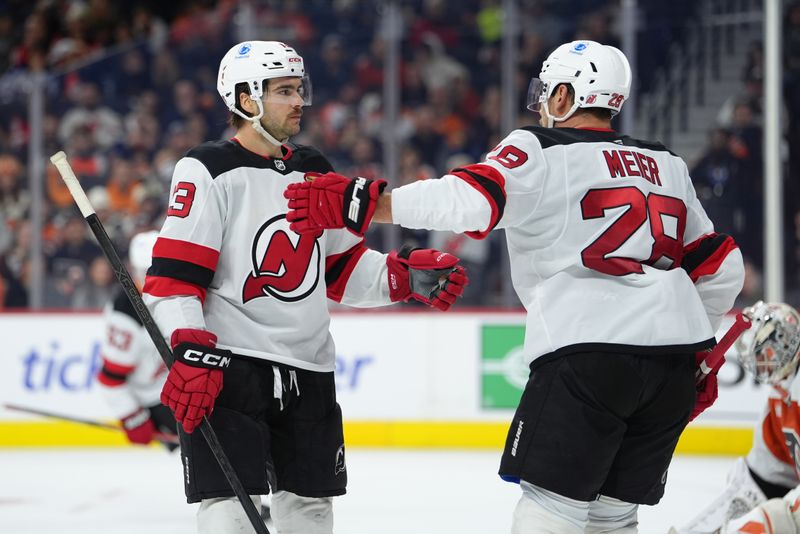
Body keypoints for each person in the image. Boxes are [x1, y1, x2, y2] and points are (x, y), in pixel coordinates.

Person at [284, 40, 745, 533]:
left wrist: (369, 205)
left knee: (550, 512)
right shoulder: (667, 164)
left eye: (548, 93)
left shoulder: (538, 148)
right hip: (670, 365)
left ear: (565, 96)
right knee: (613, 519)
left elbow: (469, 201)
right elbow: (723, 267)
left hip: (588, 354)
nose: (544, 103)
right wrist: (696, 356)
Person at [142, 40, 468, 534]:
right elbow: (173, 279)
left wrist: (400, 277)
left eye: (299, 89)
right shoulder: (207, 167)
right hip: (233, 365)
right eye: (284, 91)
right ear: (247, 100)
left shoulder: (312, 166)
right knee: (230, 511)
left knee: (312, 513)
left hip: (309, 368)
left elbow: (338, 268)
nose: (299, 101)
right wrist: (190, 351)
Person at [676, 301, 800, 534]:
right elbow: (760, 482)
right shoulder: (780, 398)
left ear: (786, 341)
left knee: (773, 520)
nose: (760, 363)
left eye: (766, 352)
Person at [96, 230, 177, 449]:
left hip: (178, 385)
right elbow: (110, 379)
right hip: (157, 398)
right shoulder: (125, 315)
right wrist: (133, 416)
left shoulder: (175, 294)